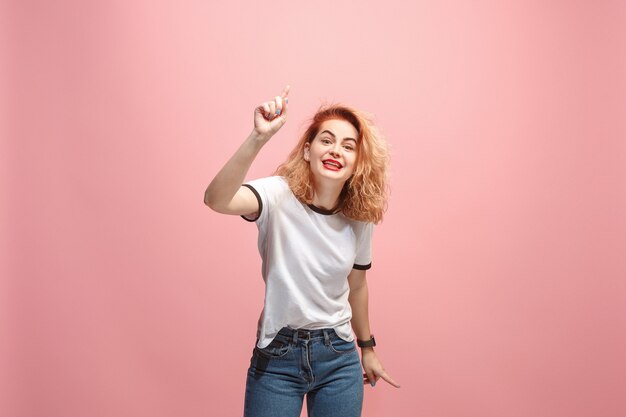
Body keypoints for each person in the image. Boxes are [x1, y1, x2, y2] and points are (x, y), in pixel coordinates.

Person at [204, 85, 399, 417]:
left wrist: (367, 348)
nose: (336, 150)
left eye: (348, 146)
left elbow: (357, 285)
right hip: (278, 355)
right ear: (307, 151)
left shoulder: (358, 218)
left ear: (356, 163)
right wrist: (258, 136)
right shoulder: (278, 195)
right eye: (327, 140)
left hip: (339, 356)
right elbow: (216, 200)